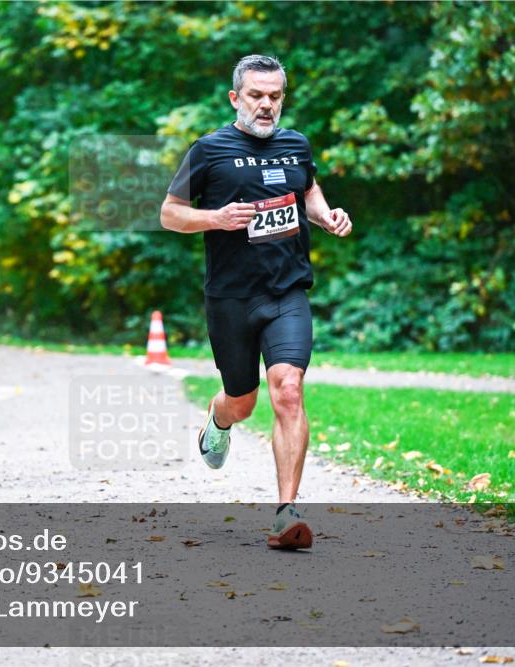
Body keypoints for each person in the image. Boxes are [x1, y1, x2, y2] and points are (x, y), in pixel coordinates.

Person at [160, 55, 353, 550]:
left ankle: (286, 513)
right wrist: (216, 218)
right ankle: (219, 417)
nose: (266, 105)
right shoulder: (209, 150)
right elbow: (170, 214)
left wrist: (325, 215)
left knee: (287, 389)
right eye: (256, 96)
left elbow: (307, 189)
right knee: (242, 400)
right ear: (235, 99)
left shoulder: (296, 144)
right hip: (230, 298)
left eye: (275, 96)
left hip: (286, 291)